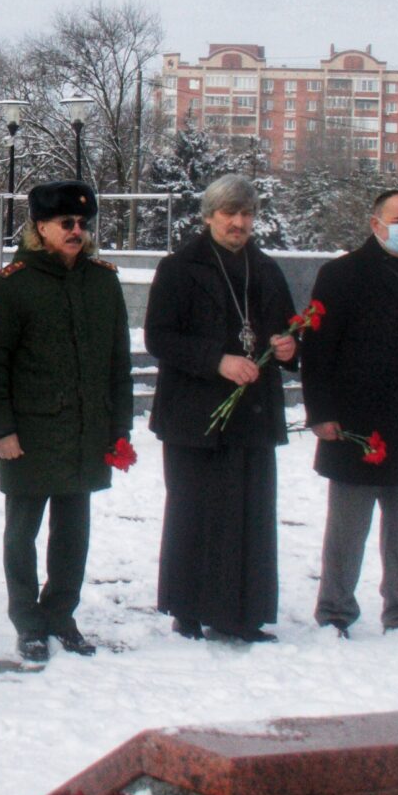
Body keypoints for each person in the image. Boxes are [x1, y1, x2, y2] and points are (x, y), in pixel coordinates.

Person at [0, 181, 133, 663]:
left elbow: (117, 363)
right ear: (40, 227)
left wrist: (118, 429)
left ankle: (61, 613)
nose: (77, 231)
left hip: (86, 428)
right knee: (22, 531)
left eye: (84, 224)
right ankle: (28, 621)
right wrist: (0, 430)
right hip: (31, 432)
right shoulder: (10, 284)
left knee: (74, 531)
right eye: (67, 223)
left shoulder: (102, 281)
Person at [143, 175, 300, 643]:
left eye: (246, 214)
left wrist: (290, 346)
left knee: (250, 515)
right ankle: (188, 608)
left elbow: (290, 328)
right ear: (209, 216)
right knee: (195, 511)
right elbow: (160, 337)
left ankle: (243, 613)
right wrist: (218, 361)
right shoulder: (179, 267)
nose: (238, 223)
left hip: (252, 413)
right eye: (229, 214)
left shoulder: (266, 269)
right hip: (195, 413)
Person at [302, 187, 398, 638]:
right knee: (347, 529)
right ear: (375, 224)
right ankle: (335, 611)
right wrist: (321, 413)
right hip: (355, 421)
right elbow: (318, 350)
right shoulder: (341, 274)